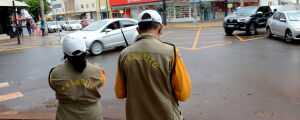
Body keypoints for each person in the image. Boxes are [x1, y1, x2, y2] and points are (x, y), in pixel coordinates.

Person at [114, 10, 191, 120]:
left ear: (138, 30)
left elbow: (120, 93)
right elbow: (183, 94)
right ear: (160, 28)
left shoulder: (124, 54)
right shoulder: (170, 52)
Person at [49, 36, 106, 120]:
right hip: (92, 116)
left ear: (65, 53)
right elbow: (101, 84)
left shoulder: (54, 73)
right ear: (85, 51)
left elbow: (54, 86)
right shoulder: (99, 71)